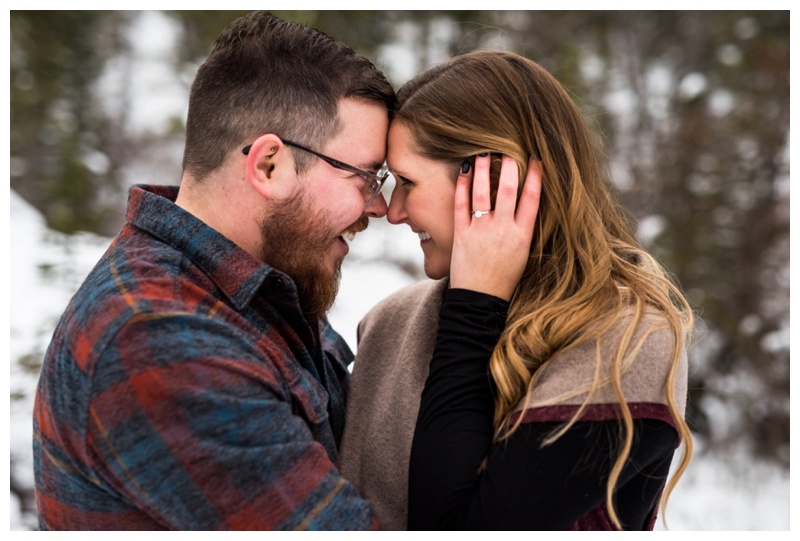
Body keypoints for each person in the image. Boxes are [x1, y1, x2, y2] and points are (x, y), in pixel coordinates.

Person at [33, 11, 395, 530]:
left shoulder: (255, 287)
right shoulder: (159, 338)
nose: (379, 207)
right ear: (269, 165)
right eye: (365, 177)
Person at [339, 50, 695, 530]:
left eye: (407, 182)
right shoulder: (389, 322)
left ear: (493, 181)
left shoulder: (626, 344)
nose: (393, 211)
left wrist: (473, 311)